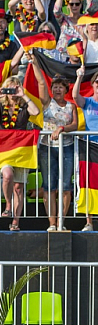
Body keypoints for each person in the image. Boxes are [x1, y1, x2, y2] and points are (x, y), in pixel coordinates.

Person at [0, 76, 40, 231]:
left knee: (18, 187)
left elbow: (35, 111)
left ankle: (16, 221)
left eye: (14, 88)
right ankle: (8, 204)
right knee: (7, 176)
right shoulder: (1, 107)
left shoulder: (23, 107)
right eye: (9, 88)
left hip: (22, 149)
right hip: (6, 148)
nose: (12, 92)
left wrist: (23, 95)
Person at [32, 55, 77, 231]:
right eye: (55, 87)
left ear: (65, 90)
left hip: (66, 147)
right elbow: (41, 83)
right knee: (49, 185)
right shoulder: (47, 103)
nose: (57, 89)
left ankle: (61, 222)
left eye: (60, 87)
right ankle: (52, 223)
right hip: (47, 147)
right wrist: (34, 63)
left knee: (65, 186)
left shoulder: (70, 106)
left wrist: (62, 129)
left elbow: (73, 124)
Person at [73, 65, 98, 231]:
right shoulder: (88, 102)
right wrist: (79, 77)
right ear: (93, 84)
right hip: (90, 147)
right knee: (88, 183)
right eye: (97, 82)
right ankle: (89, 222)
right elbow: (75, 96)